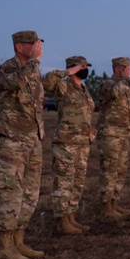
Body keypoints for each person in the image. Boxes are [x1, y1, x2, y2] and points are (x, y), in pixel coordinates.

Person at [0, 30, 47, 259]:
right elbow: (15, 81)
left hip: (32, 140)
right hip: (10, 141)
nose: (37, 47)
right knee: (10, 193)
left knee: (30, 195)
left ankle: (19, 241)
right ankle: (5, 246)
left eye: (37, 43)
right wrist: (33, 62)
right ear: (18, 47)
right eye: (31, 43)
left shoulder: (34, 72)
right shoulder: (5, 70)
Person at [42, 56, 96, 235]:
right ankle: (62, 220)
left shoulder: (84, 89)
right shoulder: (63, 85)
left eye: (86, 66)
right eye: (82, 66)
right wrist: (67, 72)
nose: (85, 69)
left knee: (77, 182)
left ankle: (71, 216)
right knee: (64, 181)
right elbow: (45, 82)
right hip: (66, 142)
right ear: (73, 68)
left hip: (82, 142)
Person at [97, 57, 130, 220]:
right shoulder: (107, 84)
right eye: (127, 68)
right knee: (110, 170)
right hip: (110, 134)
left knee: (121, 170)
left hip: (122, 134)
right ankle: (105, 204)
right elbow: (114, 93)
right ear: (118, 69)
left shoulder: (126, 86)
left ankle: (114, 201)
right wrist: (125, 79)